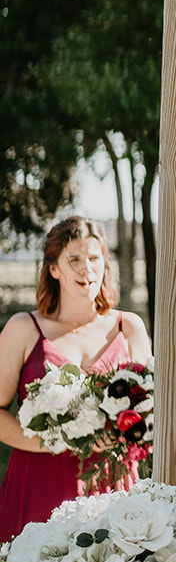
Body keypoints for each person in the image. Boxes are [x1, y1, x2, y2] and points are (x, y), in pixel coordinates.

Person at [0, 216, 154, 542]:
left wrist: (124, 435)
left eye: (94, 259)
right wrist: (58, 441)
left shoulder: (130, 327)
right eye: (74, 259)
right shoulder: (23, 328)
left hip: (113, 489)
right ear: (54, 268)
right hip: (38, 487)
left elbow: (150, 411)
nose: (87, 269)